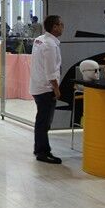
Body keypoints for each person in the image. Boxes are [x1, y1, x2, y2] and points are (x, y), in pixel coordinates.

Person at [29, 15, 64, 164]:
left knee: (41, 120)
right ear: (54, 27)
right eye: (61, 24)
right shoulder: (50, 45)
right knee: (44, 122)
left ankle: (39, 148)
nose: (63, 27)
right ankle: (43, 152)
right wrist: (56, 89)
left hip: (38, 85)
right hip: (46, 88)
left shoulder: (40, 40)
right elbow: (50, 71)